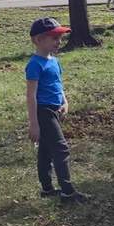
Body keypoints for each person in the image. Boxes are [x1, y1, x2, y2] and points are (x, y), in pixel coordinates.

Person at [25, 17, 91, 204]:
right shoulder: (35, 64)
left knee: (46, 150)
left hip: (54, 109)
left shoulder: (53, 61)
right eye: (54, 38)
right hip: (43, 112)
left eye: (60, 38)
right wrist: (34, 124)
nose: (59, 42)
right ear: (39, 40)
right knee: (61, 150)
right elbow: (31, 95)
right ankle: (68, 193)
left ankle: (47, 189)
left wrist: (65, 101)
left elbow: (58, 84)